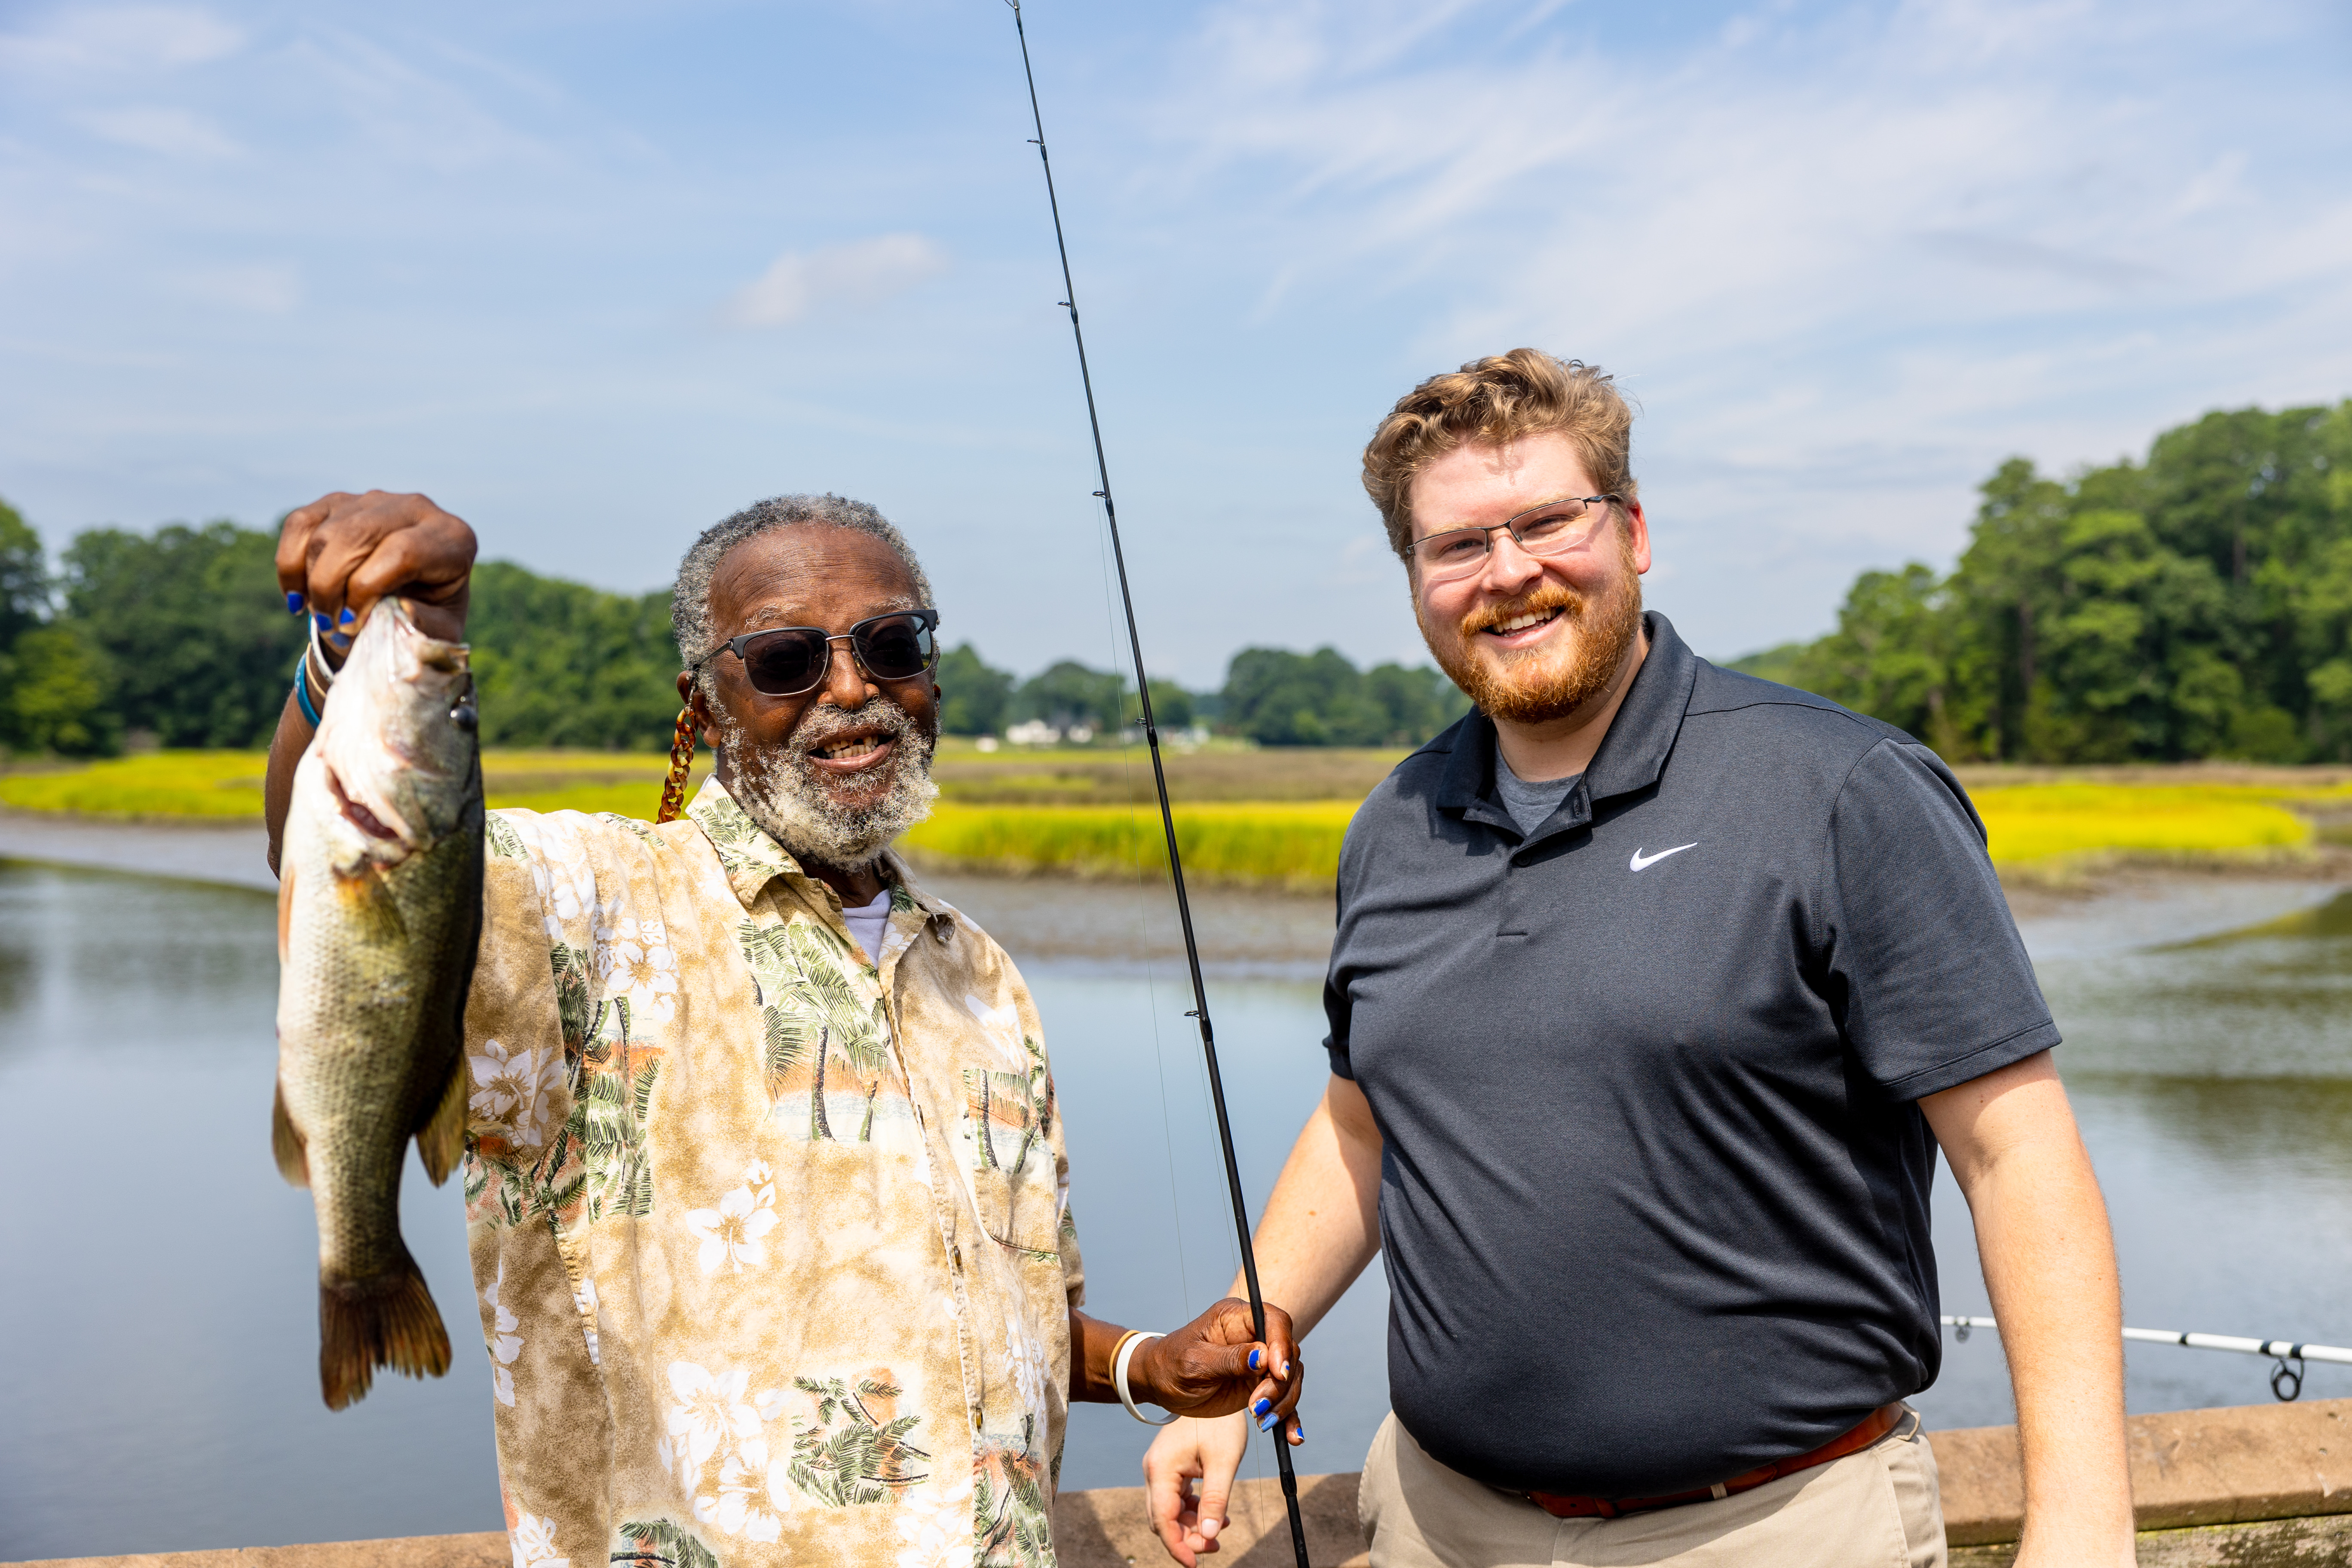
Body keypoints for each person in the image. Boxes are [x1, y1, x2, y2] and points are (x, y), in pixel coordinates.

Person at [1143, 351, 2135, 1568]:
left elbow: (2018, 1154)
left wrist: (2083, 1529)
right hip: (1437, 1525)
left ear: (1634, 530)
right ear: (1413, 578)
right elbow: (1364, 1123)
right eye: (1458, 545)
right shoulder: (1395, 825)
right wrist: (1242, 1356)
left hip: (1777, 1528)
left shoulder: (1840, 789)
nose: (1509, 573)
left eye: (1549, 522)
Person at [264, 490, 1302, 1568]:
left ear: (932, 675)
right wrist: (387, 643)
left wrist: (1149, 1365)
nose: (851, 689)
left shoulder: (979, 973)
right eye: (783, 660)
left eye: (891, 644)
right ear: (704, 704)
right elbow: (363, 873)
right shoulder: (586, 905)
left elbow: (1003, 1310)